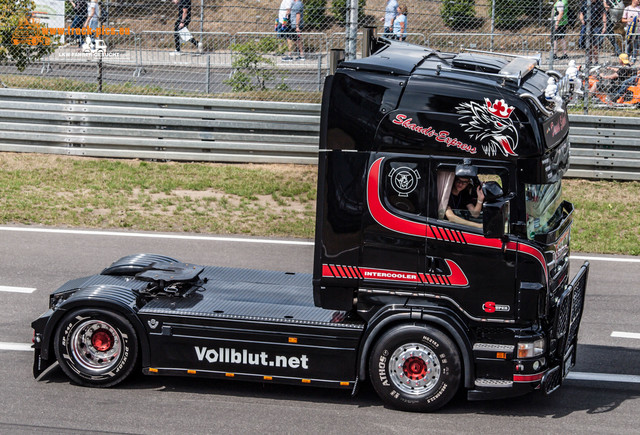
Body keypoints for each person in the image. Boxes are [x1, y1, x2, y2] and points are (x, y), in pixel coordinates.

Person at [579, 0, 608, 64]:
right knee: (588, 44)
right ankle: (589, 61)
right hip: (587, 26)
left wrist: (604, 26)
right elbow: (581, 13)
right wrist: (582, 20)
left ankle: (596, 61)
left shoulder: (599, 3)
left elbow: (604, 15)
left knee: (595, 45)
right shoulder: (585, 3)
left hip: (597, 26)